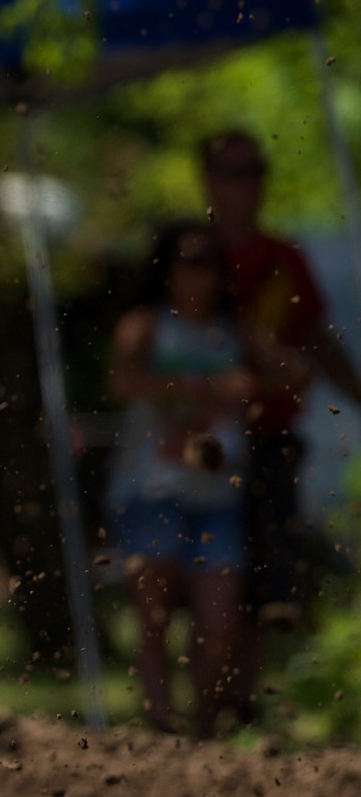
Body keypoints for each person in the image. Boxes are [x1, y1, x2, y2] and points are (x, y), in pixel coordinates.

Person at [107, 221, 299, 738]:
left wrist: (249, 384)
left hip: (216, 492)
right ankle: (161, 723)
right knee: (154, 616)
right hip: (153, 490)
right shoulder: (146, 325)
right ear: (166, 269)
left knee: (219, 624)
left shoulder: (236, 328)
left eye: (211, 261)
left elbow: (296, 370)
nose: (201, 273)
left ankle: (206, 732)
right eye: (189, 260)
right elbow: (123, 382)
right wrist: (202, 387)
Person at [200, 132, 361, 656]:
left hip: (268, 437)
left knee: (265, 591)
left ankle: (239, 709)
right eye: (236, 171)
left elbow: (316, 339)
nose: (251, 183)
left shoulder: (283, 257)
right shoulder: (191, 254)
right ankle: (186, 716)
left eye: (257, 168)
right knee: (199, 586)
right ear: (209, 181)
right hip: (198, 441)